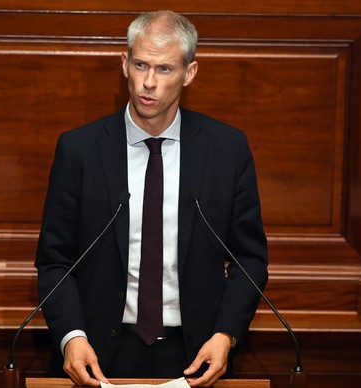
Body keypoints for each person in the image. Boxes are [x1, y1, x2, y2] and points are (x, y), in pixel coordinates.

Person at [35, 10, 268, 387]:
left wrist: (225, 334)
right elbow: (54, 260)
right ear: (124, 64)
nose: (148, 82)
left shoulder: (227, 149)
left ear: (189, 73)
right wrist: (71, 337)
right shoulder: (79, 149)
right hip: (98, 354)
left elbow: (250, 258)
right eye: (140, 64)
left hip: (196, 355)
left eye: (164, 69)